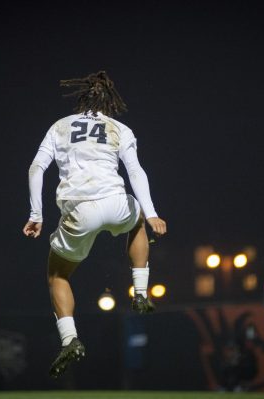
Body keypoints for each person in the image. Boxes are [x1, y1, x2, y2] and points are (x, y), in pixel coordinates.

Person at [23, 71, 167, 378]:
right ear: (110, 103)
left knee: (57, 275)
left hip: (78, 212)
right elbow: (136, 171)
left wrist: (36, 214)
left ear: (80, 99)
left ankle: (70, 340)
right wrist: (152, 211)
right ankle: (140, 291)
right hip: (115, 203)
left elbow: (36, 169)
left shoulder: (59, 127)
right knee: (137, 218)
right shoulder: (120, 128)